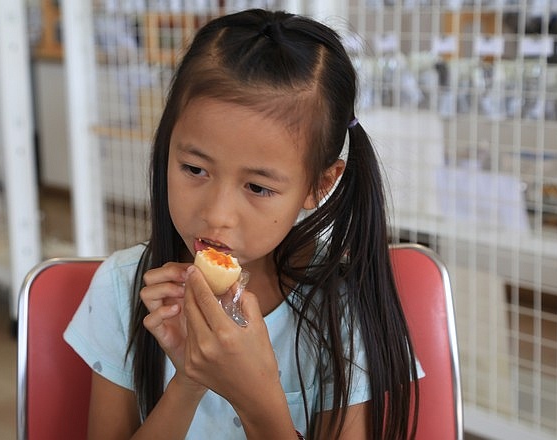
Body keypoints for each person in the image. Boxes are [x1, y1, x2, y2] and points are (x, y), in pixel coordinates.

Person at [64, 8, 421, 440]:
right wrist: (191, 378)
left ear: (318, 184)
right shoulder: (123, 289)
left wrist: (257, 398)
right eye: (194, 169)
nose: (216, 215)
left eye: (257, 187)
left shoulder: (342, 308)